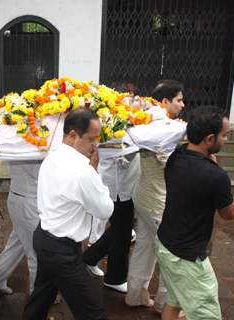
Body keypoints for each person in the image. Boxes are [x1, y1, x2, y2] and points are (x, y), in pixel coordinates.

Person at [23, 108, 114, 320]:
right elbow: (105, 209)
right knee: (93, 312)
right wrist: (94, 171)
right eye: (91, 140)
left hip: (44, 237)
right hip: (61, 251)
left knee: (41, 299)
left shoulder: (52, 156)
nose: (95, 146)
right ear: (72, 135)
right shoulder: (82, 170)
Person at [156, 106, 234, 319]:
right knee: (207, 314)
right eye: (224, 135)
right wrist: (220, 175)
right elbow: (230, 214)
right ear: (209, 139)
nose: (226, 140)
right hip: (188, 257)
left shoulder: (176, 156)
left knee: (174, 302)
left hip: (166, 243)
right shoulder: (216, 176)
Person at [125, 80, 185, 311]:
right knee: (169, 251)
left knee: (145, 246)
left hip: (144, 194)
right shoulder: (160, 127)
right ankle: (165, 304)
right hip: (155, 199)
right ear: (165, 102)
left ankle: (135, 296)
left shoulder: (149, 121)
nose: (183, 104)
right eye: (179, 100)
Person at [83, 148, 140, 293]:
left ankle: (90, 258)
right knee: (122, 231)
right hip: (117, 183)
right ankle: (115, 278)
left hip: (126, 179)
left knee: (121, 228)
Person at [0, 160, 41, 295]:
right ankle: (38, 294)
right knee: (36, 252)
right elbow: (39, 173)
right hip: (27, 202)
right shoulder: (27, 146)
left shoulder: (20, 144)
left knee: (18, 243)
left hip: (23, 198)